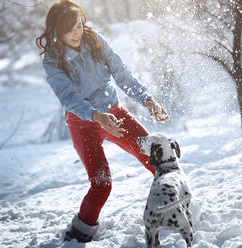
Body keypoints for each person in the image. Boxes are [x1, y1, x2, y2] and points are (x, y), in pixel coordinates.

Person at [35, 0, 169, 243]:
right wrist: (96, 116)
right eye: (71, 28)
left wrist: (147, 99)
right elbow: (68, 97)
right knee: (102, 184)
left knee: (155, 158)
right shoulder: (53, 60)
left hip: (115, 114)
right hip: (83, 123)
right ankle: (79, 233)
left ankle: (172, 207)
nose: (77, 32)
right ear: (58, 29)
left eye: (80, 25)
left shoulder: (94, 40)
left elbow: (121, 72)